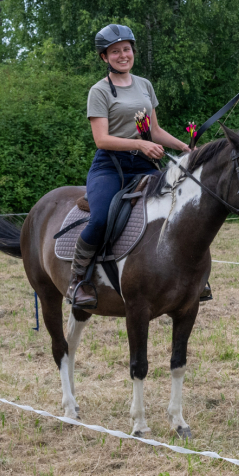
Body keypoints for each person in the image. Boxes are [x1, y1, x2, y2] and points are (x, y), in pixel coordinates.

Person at [67, 24, 192, 309]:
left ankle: (185, 276)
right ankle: (79, 279)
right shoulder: (98, 91)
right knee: (99, 219)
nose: (123, 55)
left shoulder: (144, 85)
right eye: (115, 51)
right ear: (104, 57)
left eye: (126, 49)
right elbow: (101, 139)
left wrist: (183, 147)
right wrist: (139, 144)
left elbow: (155, 130)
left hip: (144, 164)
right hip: (110, 166)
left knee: (178, 207)